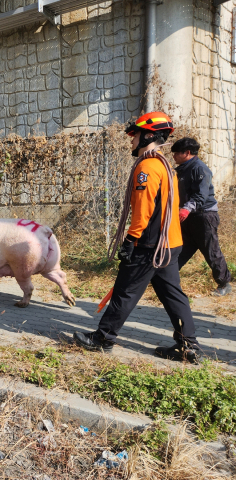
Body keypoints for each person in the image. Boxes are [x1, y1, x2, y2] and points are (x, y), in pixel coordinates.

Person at [73, 111, 202, 363]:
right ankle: (189, 347)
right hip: (169, 244)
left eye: (135, 136)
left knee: (125, 291)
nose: (131, 141)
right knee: (173, 295)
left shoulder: (147, 167)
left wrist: (131, 240)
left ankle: (103, 339)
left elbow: (144, 209)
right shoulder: (166, 166)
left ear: (149, 136)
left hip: (149, 244)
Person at [172, 137, 232, 296]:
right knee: (179, 248)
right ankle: (167, 279)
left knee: (211, 251)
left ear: (187, 153)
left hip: (204, 216)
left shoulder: (199, 168)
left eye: (176, 153)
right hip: (189, 216)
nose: (174, 156)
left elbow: (201, 194)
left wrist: (186, 209)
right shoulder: (182, 169)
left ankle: (224, 284)